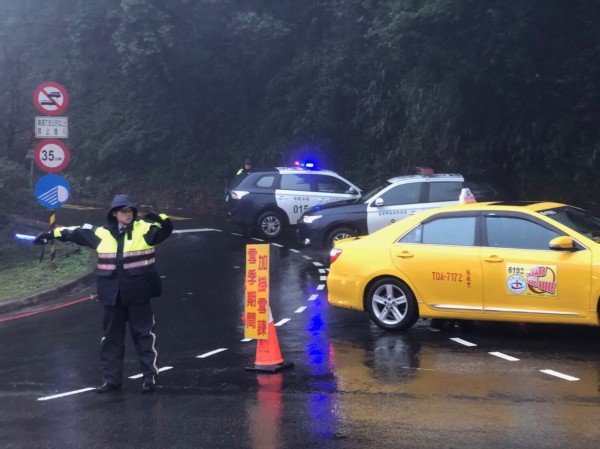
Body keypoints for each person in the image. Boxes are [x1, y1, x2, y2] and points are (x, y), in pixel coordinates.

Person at [33, 194, 173, 393]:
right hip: (112, 295)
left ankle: (149, 377)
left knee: (143, 335)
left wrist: (160, 218)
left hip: (138, 293)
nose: (128, 214)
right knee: (110, 339)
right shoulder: (102, 234)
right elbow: (76, 232)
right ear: (114, 214)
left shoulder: (145, 230)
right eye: (124, 211)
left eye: (131, 210)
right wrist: (50, 235)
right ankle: (111, 380)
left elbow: (165, 230)